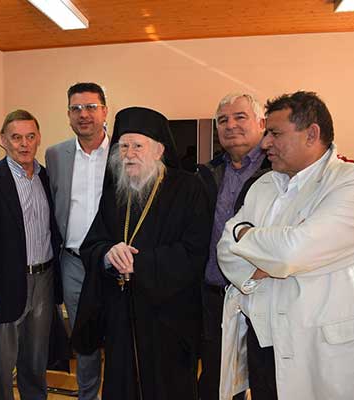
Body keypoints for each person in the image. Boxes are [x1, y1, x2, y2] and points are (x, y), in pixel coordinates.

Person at [217, 91, 354, 400]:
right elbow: (225, 250)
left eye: (275, 133)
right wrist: (261, 260)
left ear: (311, 134)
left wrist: (245, 235)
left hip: (326, 352)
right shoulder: (264, 185)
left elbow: (291, 253)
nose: (265, 143)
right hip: (264, 348)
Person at [72, 107, 211, 400]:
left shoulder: (188, 188)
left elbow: (194, 251)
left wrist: (139, 263)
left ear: (159, 151)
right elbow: (92, 245)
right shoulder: (116, 191)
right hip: (121, 316)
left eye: (137, 146)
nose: (129, 154)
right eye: (123, 147)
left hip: (168, 318)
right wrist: (108, 254)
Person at [0, 109, 62, 400]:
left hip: (44, 280)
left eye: (30, 137)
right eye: (17, 137)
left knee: (36, 362)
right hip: (2, 286)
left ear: (39, 138)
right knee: (0, 366)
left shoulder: (46, 177)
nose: (24, 144)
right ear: (3, 140)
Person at [196, 93, 270, 400]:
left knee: (266, 379)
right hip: (215, 297)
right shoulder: (206, 173)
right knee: (216, 380)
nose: (230, 125)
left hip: (264, 296)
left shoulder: (279, 171)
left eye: (240, 117)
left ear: (261, 123)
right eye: (223, 120)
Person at [45, 82, 108, 400]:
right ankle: (88, 395)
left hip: (113, 262)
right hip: (73, 263)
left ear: (105, 111)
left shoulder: (122, 151)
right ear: (68, 114)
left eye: (91, 107)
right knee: (83, 337)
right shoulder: (56, 155)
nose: (83, 114)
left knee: (119, 333)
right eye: (76, 108)